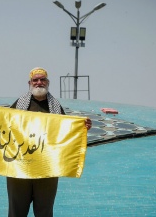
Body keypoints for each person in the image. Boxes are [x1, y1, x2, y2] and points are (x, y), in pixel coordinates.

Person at [6, 67, 92, 217]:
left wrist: (83, 128)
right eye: (35, 80)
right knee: (16, 212)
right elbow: (3, 123)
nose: (39, 83)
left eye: (42, 79)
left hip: (47, 170)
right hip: (20, 168)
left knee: (44, 212)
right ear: (30, 83)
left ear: (47, 82)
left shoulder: (56, 107)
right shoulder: (20, 104)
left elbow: (67, 132)